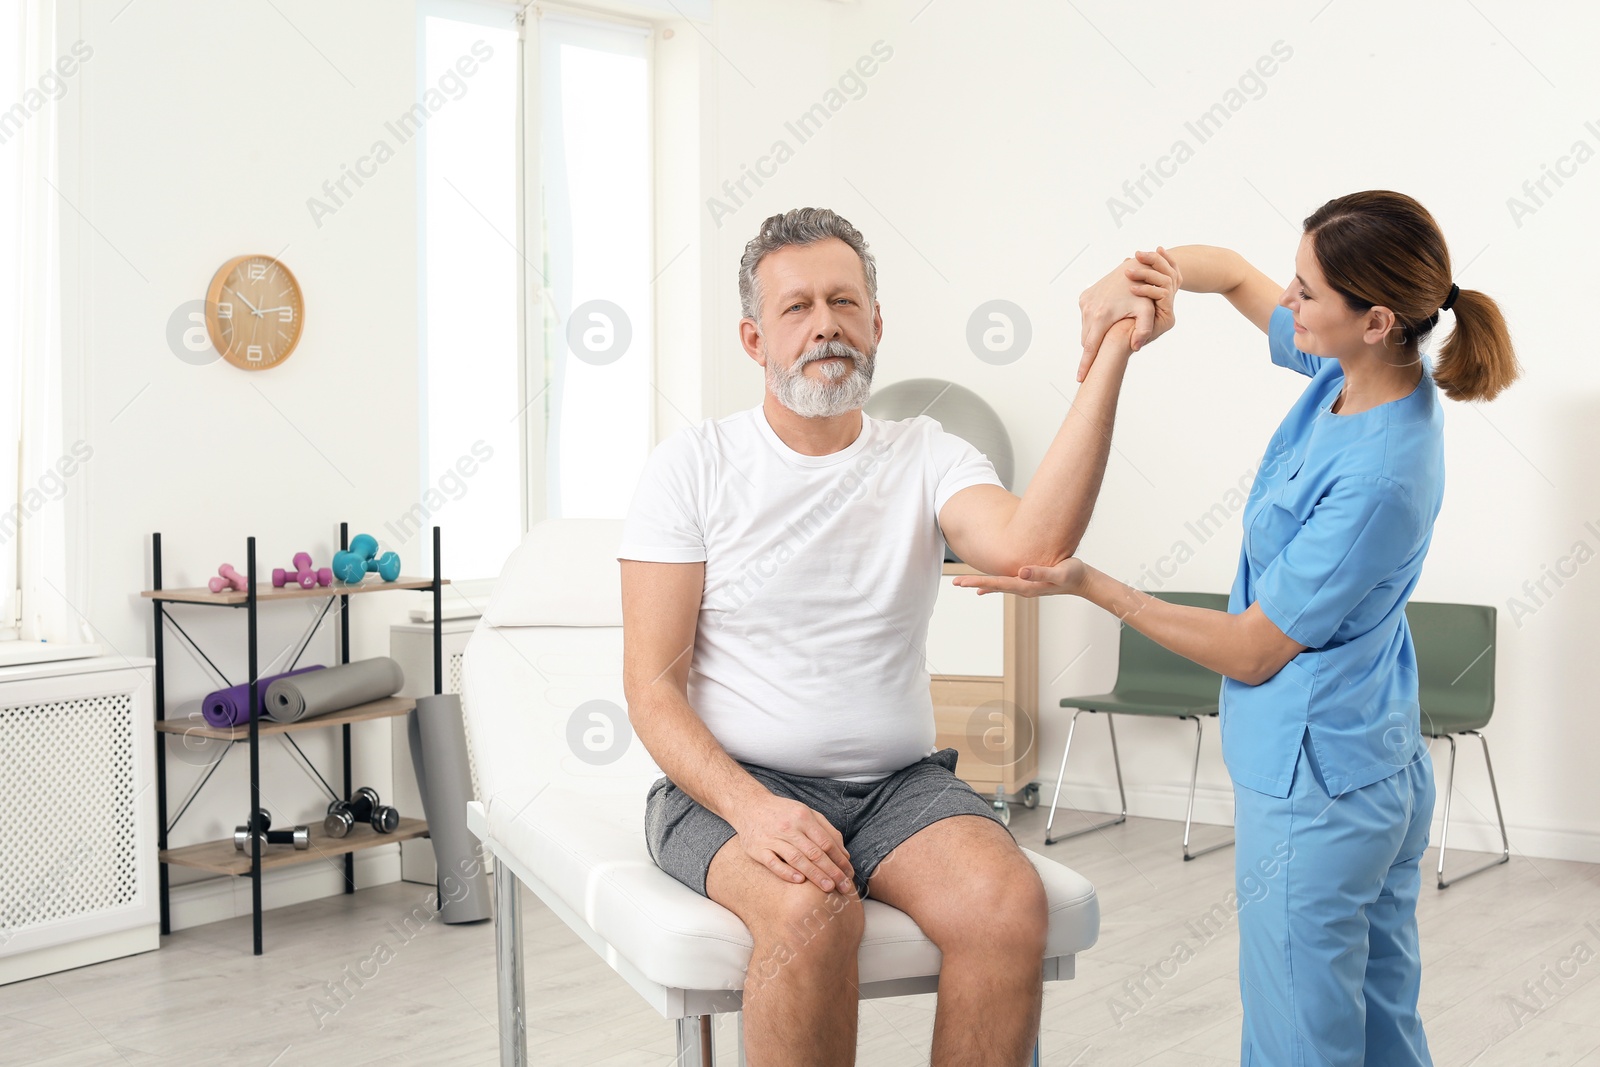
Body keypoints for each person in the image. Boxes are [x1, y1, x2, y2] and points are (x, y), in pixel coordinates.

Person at [956, 189, 1520, 1065]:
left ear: (1375, 320)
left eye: (1305, 294)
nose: (1286, 304)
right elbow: (1225, 274)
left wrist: (1094, 586)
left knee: (1299, 1042)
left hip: (1319, 790)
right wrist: (1144, 275)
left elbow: (1256, 648)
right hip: (1372, 765)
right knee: (1377, 1029)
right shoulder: (1359, 371)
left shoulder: (1380, 473)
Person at [617, 206, 1156, 1066]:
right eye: (797, 307)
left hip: (899, 787)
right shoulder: (694, 465)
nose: (825, 323)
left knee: (1006, 903)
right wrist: (754, 811)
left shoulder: (926, 452)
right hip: (730, 788)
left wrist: (1115, 352)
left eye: (843, 301)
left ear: (876, 324)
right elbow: (651, 687)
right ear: (756, 341)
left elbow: (1031, 549)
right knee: (811, 914)